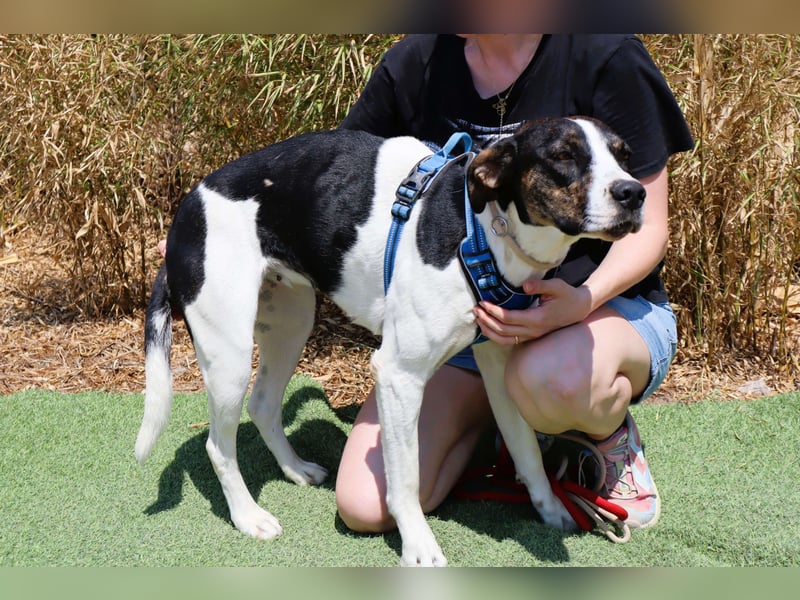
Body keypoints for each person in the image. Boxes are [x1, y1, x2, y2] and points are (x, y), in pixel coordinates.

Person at [334, 34, 694, 533]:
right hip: (470, 327)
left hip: (599, 309)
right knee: (364, 506)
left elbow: (649, 228)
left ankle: (604, 435)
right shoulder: (417, 63)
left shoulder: (606, 56)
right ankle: (503, 426)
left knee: (549, 377)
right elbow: (347, 172)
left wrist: (578, 303)